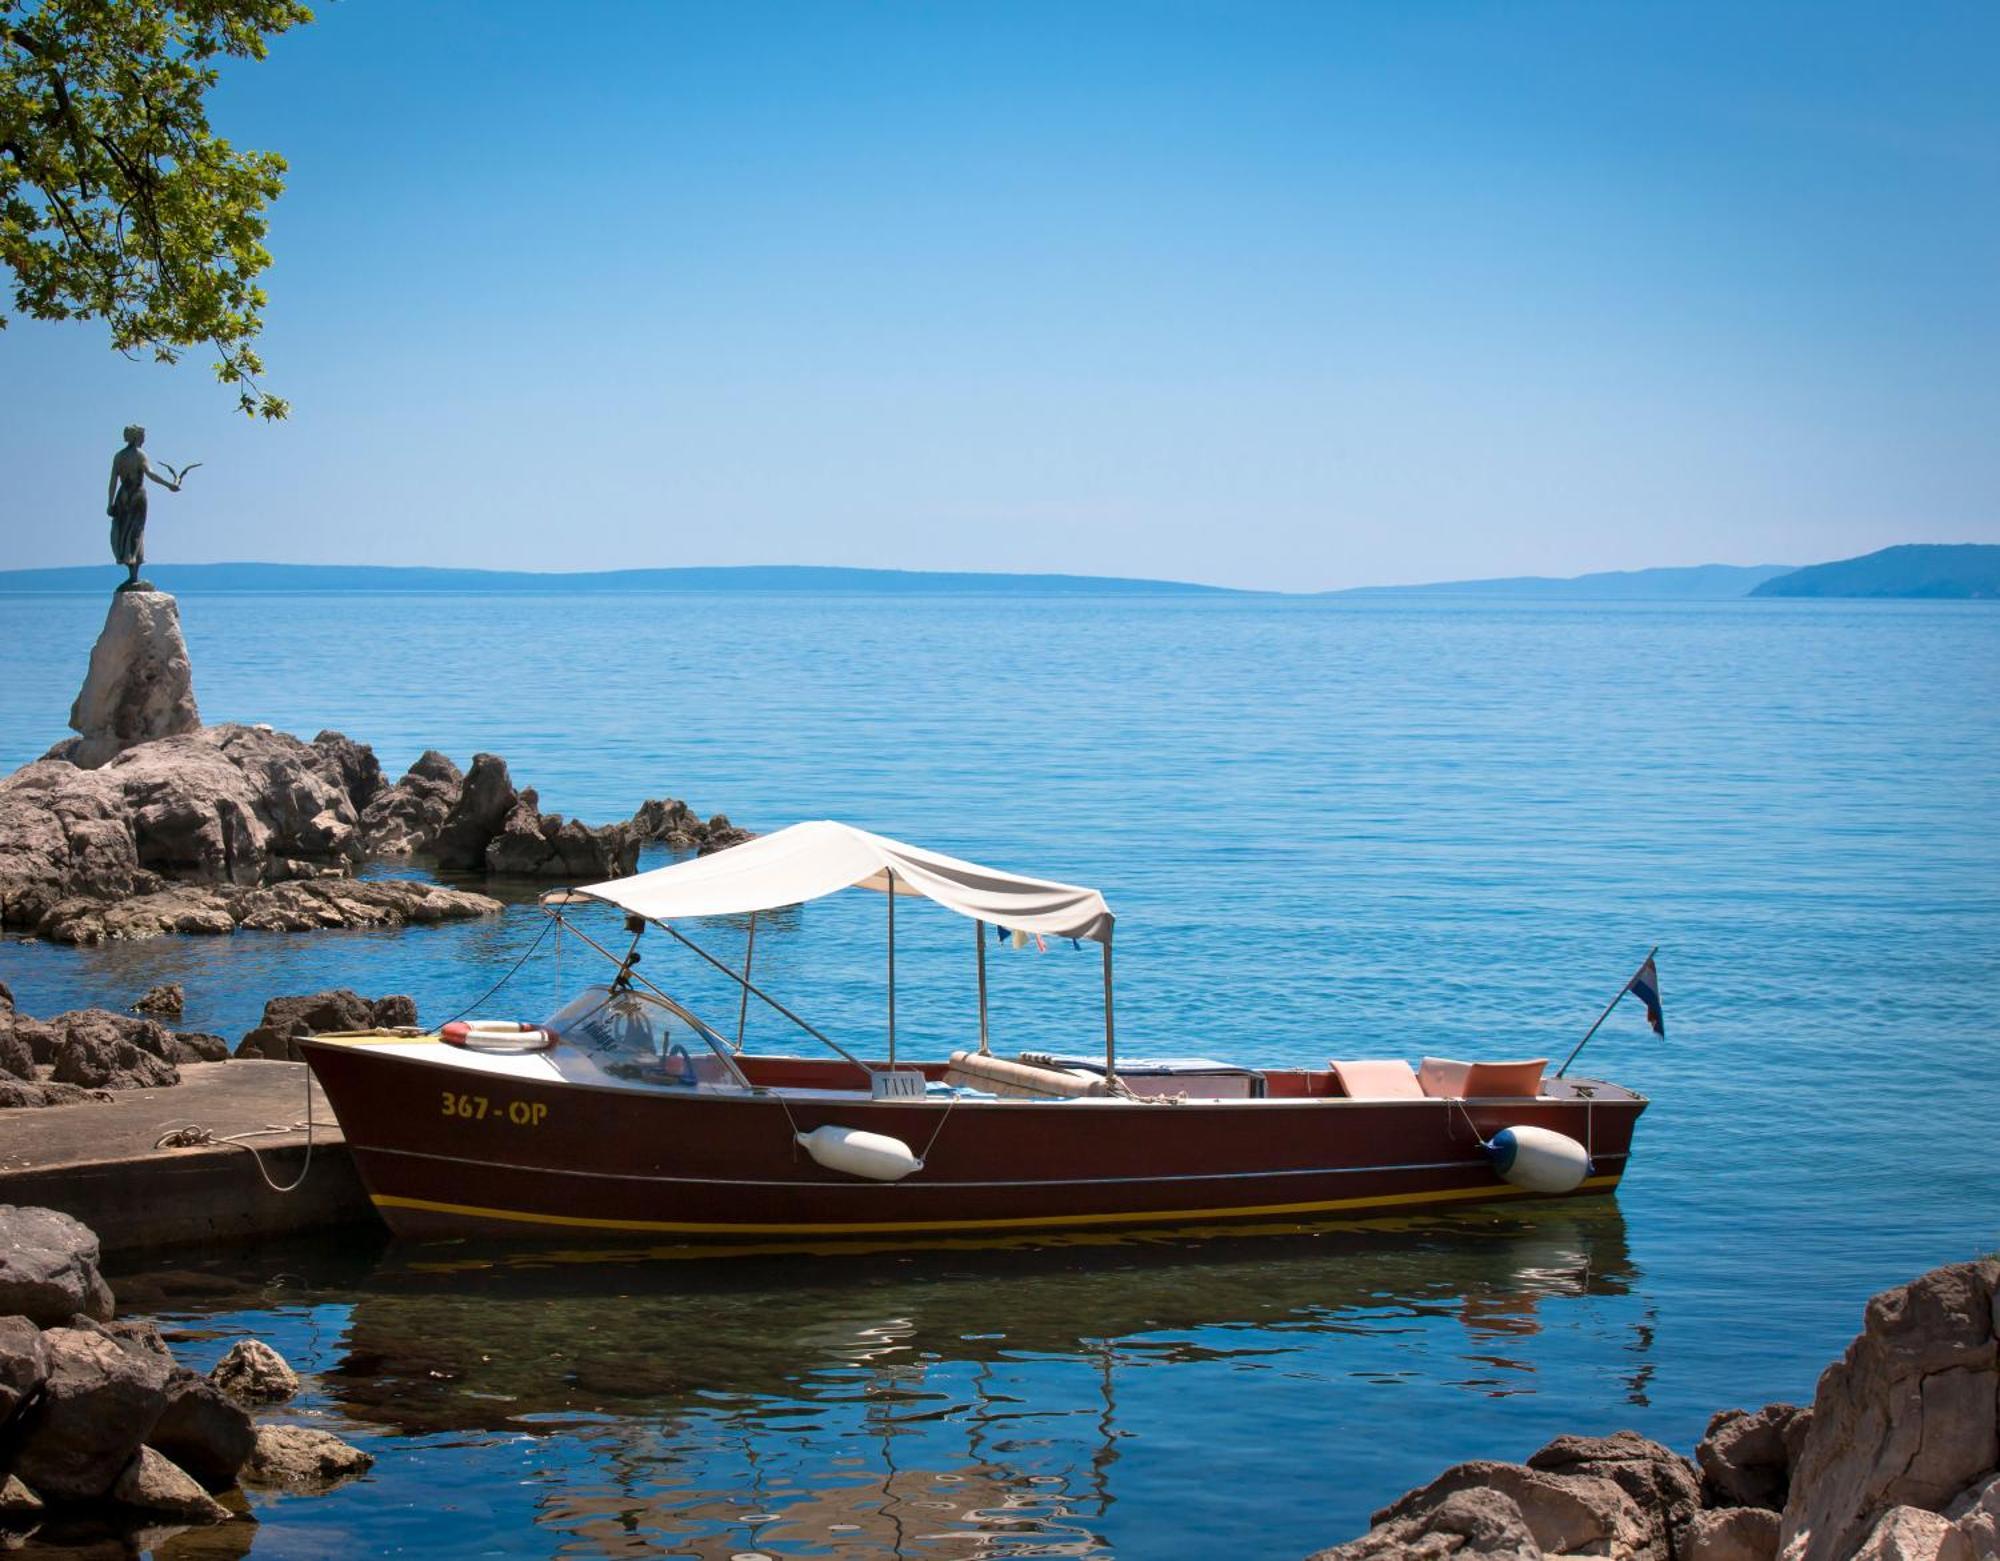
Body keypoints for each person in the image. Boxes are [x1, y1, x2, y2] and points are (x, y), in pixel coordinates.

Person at [106, 424, 179, 589]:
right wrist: (169, 485)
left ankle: (132, 575)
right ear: (137, 437)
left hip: (122, 497)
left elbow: (112, 482)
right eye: (143, 435)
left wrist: (110, 503)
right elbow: (151, 474)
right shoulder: (139, 455)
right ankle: (134, 576)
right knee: (136, 533)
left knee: (125, 532)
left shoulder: (119, 456)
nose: (145, 438)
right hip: (137, 497)